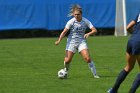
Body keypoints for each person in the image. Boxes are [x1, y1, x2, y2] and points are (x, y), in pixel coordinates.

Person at [55, 4, 99, 79]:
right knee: (68, 60)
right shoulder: (71, 22)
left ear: (81, 14)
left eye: (78, 14)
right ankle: (65, 71)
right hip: (71, 42)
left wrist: (88, 33)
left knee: (87, 58)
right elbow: (64, 31)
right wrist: (59, 40)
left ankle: (95, 75)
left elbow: (95, 30)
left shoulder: (85, 21)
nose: (76, 16)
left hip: (81, 42)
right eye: (75, 14)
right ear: (73, 14)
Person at [108, 13, 140, 93]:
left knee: (128, 67)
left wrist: (136, 35)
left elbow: (128, 27)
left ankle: (113, 90)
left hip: (131, 41)